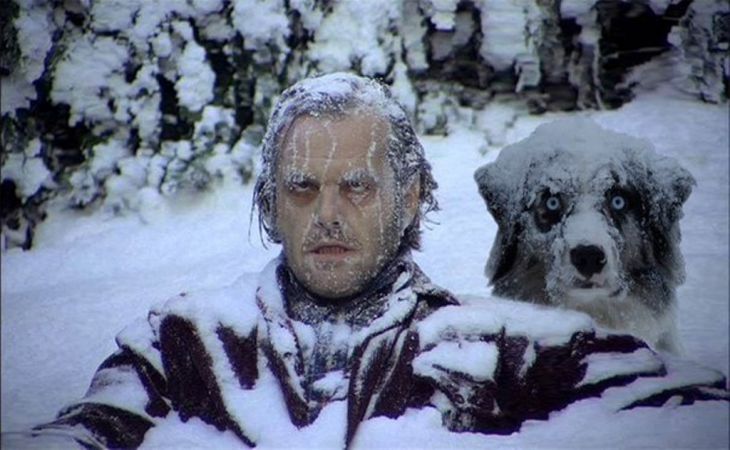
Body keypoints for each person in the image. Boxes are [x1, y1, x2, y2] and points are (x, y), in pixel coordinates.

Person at [5, 73, 727, 449]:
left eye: (356, 186)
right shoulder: (187, 343)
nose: (327, 213)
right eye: (302, 187)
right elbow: (87, 430)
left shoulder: (490, 348)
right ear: (271, 204)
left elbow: (687, 416)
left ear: (409, 199)